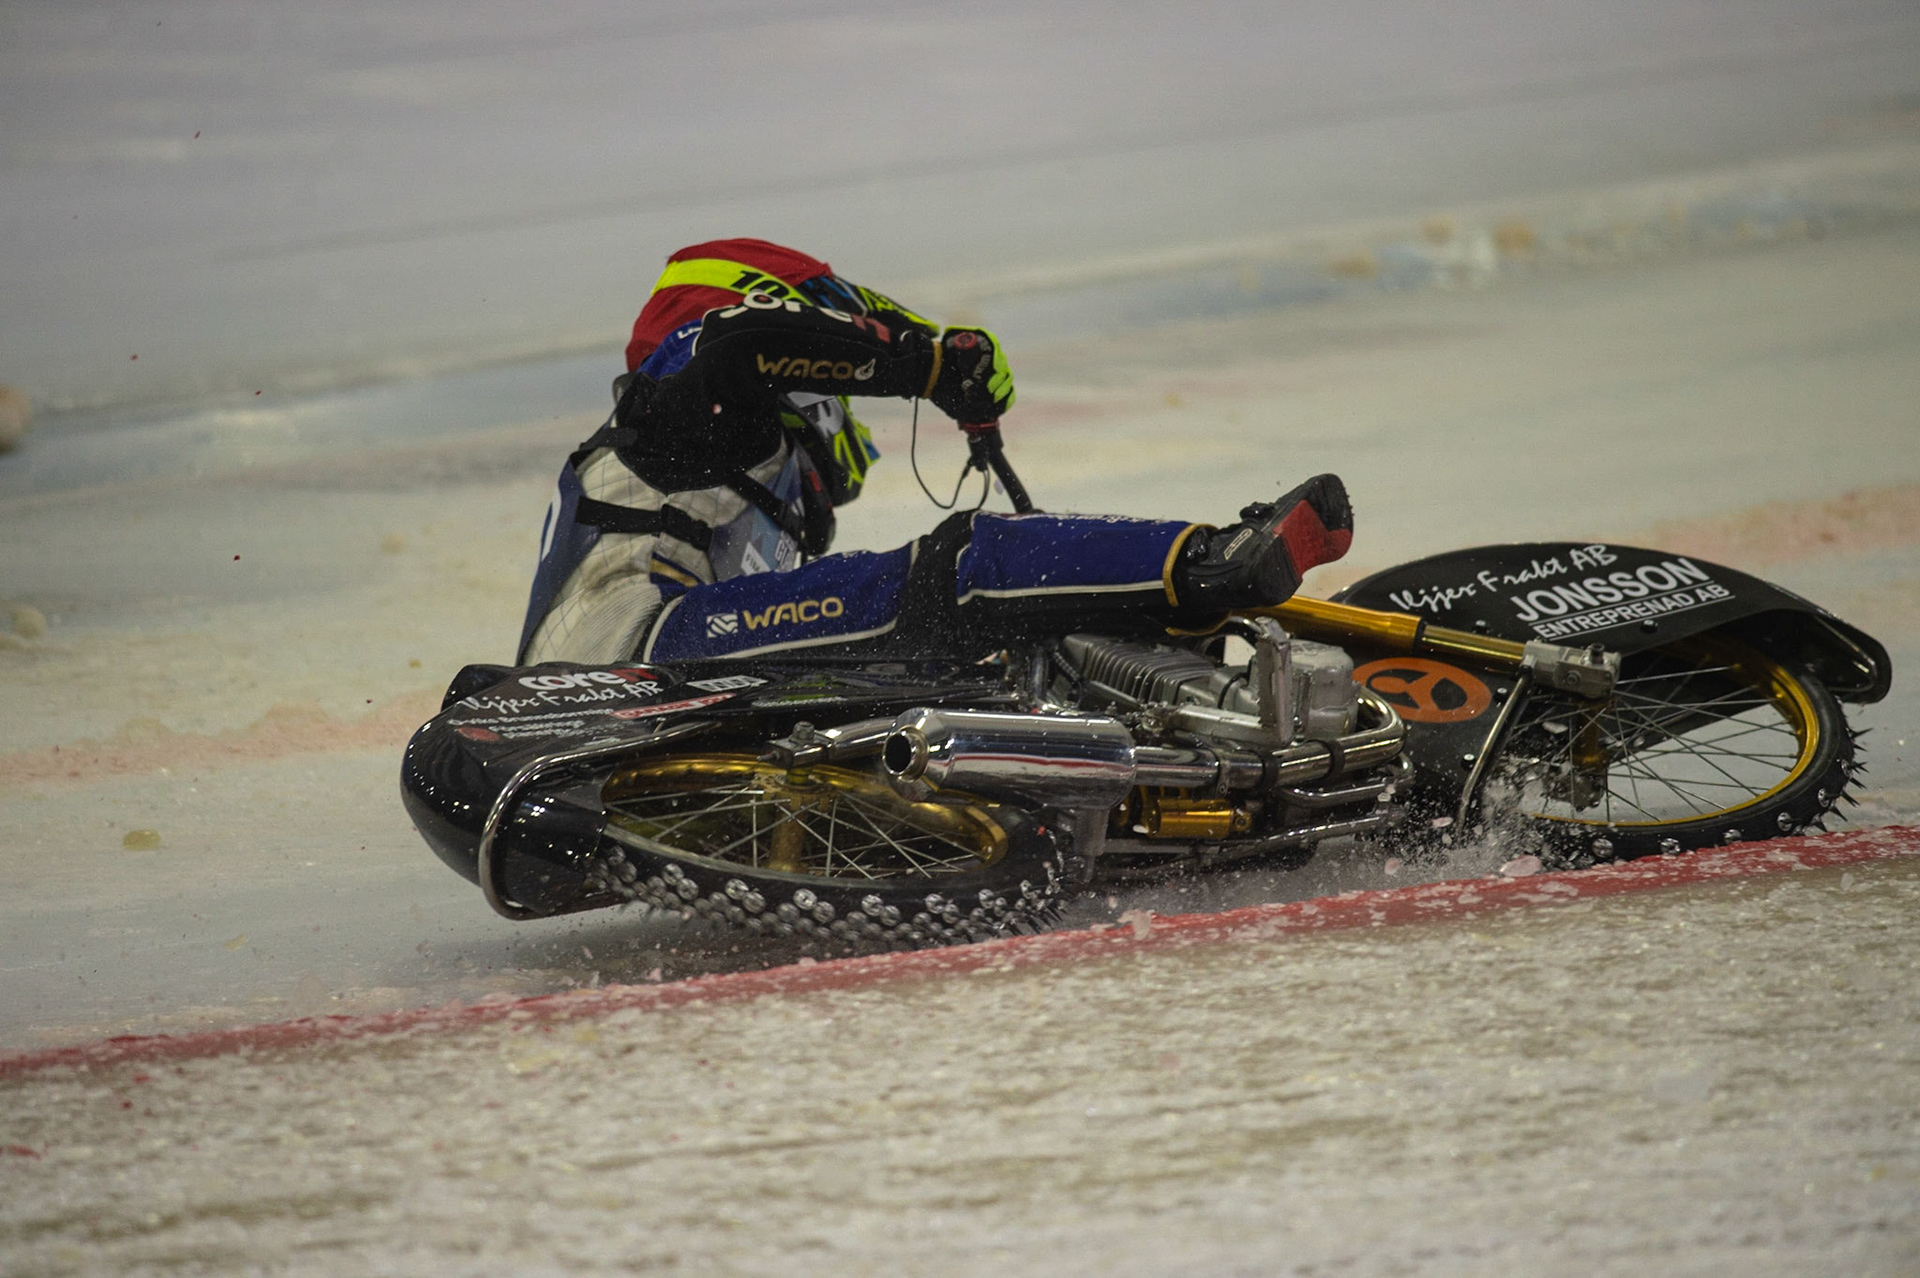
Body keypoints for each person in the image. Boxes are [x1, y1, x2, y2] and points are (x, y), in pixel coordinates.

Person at [518, 238, 1352, 666]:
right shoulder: (683, 394)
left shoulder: (698, 450)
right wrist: (926, 363)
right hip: (630, 661)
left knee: (936, 647)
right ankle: (1208, 562)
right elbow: (745, 342)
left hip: (647, 678)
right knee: (962, 565)